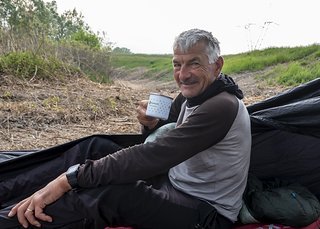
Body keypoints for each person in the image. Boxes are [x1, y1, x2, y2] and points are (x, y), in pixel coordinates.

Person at [1, 28, 251, 229]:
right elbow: (163, 131)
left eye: (194, 64)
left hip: (204, 212)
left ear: (217, 66)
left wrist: (68, 180)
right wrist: (150, 124)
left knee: (112, 194)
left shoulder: (221, 106)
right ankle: (9, 188)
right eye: (177, 64)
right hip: (172, 180)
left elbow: (153, 155)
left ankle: (11, 219)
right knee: (95, 146)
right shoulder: (191, 95)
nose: (183, 75)